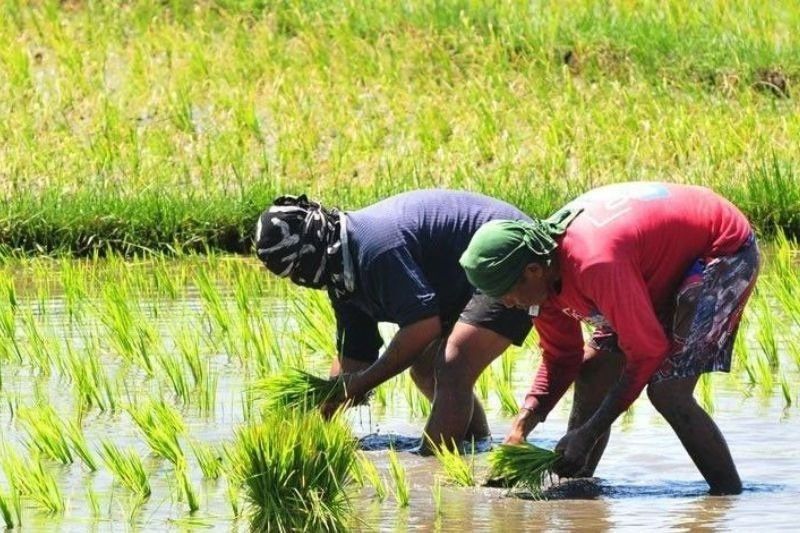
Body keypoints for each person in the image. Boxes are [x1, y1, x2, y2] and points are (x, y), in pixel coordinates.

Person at [458, 182, 759, 495]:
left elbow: (647, 352)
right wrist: (521, 428)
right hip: (650, 264)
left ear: (533, 270)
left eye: (507, 293)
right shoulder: (541, 284)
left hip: (722, 248)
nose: (508, 304)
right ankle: (576, 485)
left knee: (668, 391)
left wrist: (589, 433)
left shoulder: (595, 264)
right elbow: (563, 358)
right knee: (594, 372)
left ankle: (726, 496)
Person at [254, 189, 533, 451]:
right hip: (460, 280)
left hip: (508, 258)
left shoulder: (373, 249)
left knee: (452, 366)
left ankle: (437, 467)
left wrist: (362, 384)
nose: (298, 281)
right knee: (426, 370)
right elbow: (355, 357)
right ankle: (476, 448)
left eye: (295, 271)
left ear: (308, 252)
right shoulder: (340, 272)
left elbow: (423, 326)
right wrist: (320, 417)